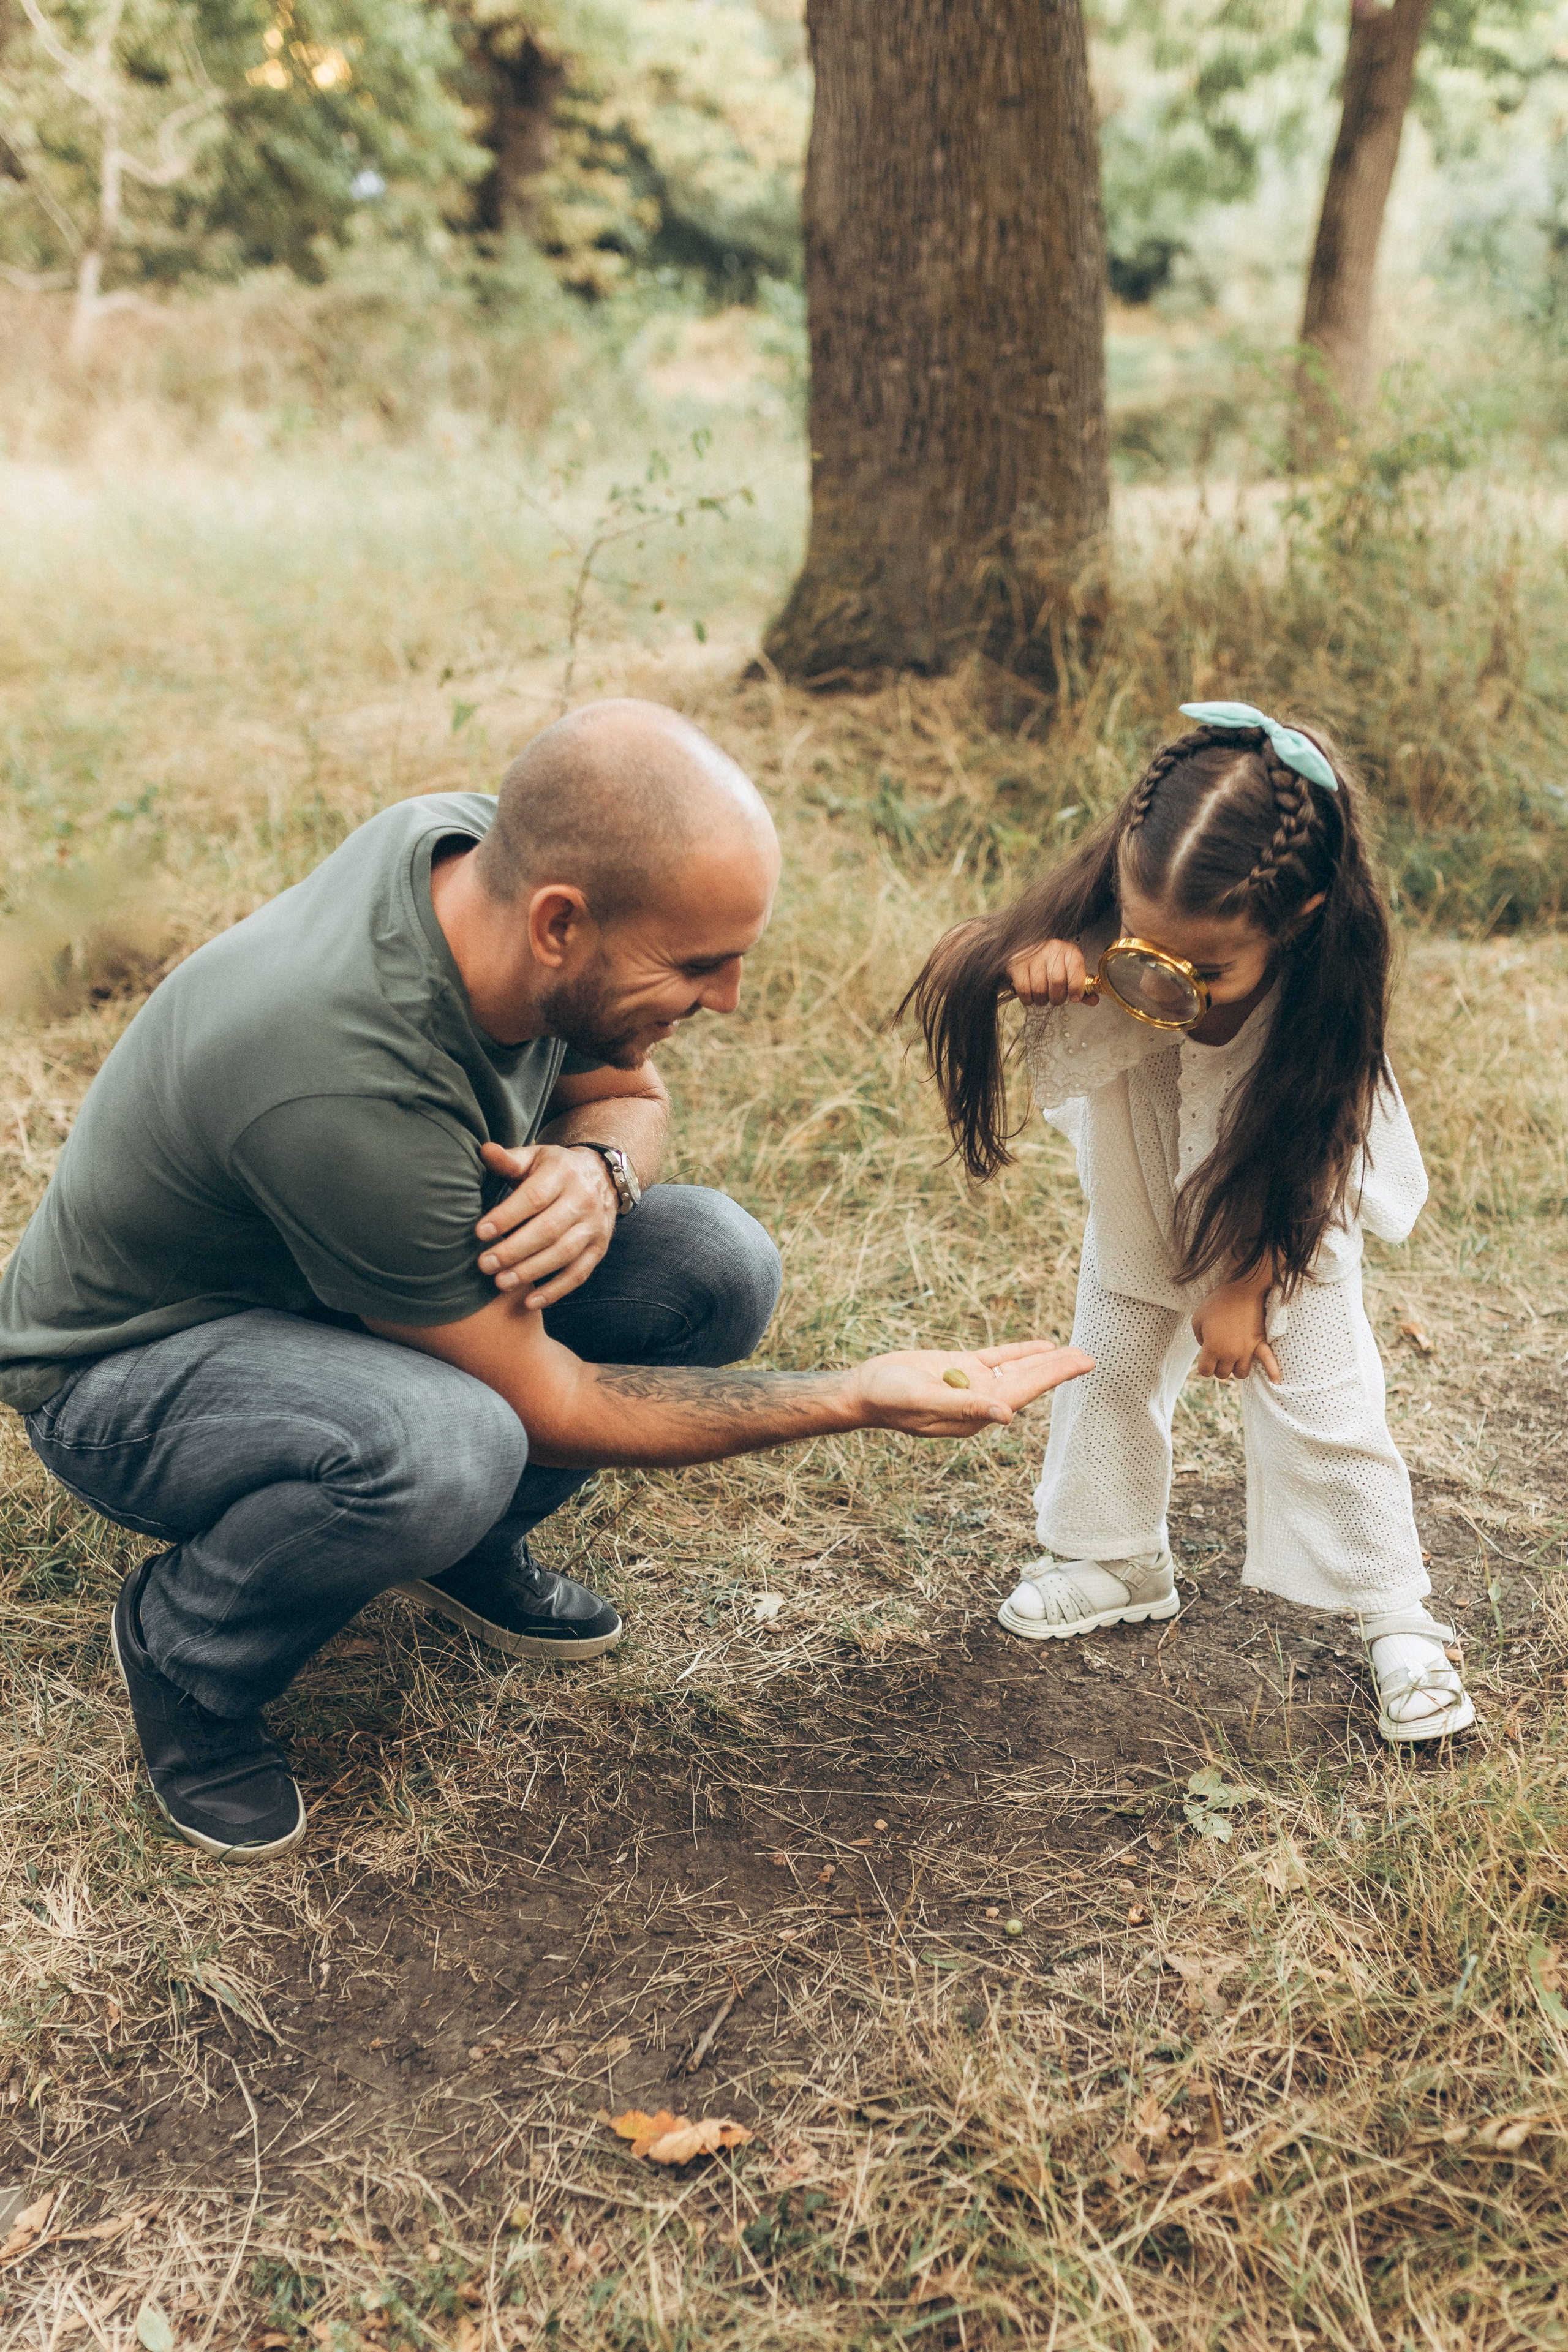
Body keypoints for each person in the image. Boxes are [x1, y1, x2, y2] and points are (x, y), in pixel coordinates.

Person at [0, 699, 1088, 1863]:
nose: (728, 997)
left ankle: (460, 1551)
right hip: (133, 1371)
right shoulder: (343, 1076)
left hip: (352, 1281)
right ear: (560, 923)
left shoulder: (489, 868)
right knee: (449, 1445)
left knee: (715, 1262)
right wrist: (855, 1395)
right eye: (698, 964)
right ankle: (189, 1650)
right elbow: (555, 1403)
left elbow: (628, 1096)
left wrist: (598, 1168)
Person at [903, 701, 1473, 1746]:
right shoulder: (1109, 917)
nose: (1170, 984)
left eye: (1206, 974)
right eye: (1145, 948)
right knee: (1107, 1370)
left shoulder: (1325, 1003)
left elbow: (1317, 1157)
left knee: (1324, 1404)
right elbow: (957, 958)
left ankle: (1397, 1614)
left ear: (1297, 921)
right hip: (1140, 1200)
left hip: (1285, 1229)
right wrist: (1027, 960)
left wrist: (1247, 1286)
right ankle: (1117, 1556)